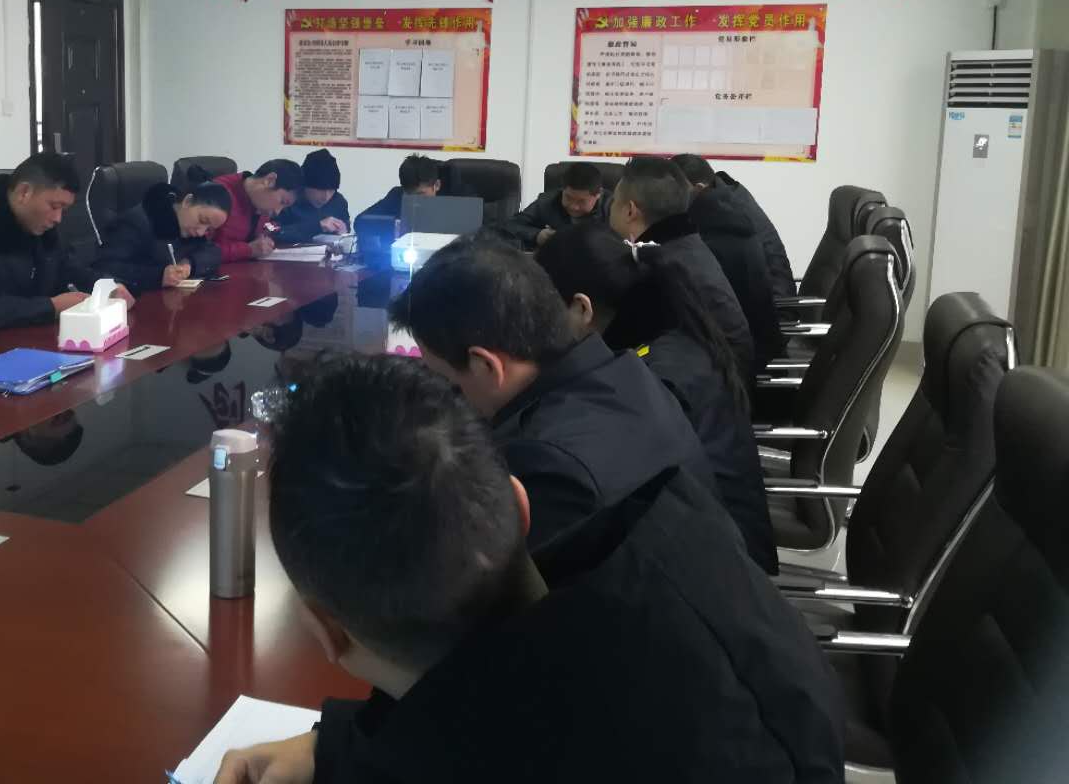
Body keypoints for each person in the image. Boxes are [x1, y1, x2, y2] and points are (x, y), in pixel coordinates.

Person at [214, 354, 844, 784]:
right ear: (522, 505)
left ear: (326, 630)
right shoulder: (676, 547)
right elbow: (491, 713)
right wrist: (335, 750)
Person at [386, 237, 712, 554]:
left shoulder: (548, 468)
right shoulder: (627, 375)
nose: (449, 396)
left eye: (446, 380)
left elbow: (470, 577)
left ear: (486, 364)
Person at [536, 222, 776, 574]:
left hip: (724, 567)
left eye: (542, 309)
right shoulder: (668, 332)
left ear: (582, 309)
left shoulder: (653, 378)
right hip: (718, 543)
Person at [0, 152, 131, 334]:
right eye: (54, 206)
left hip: (39, 339)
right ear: (24, 192)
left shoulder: (42, 225)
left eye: (64, 210)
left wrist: (106, 285)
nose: (58, 218)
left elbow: (69, 267)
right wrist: (51, 307)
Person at [609, 156, 759, 379]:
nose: (609, 207)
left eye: (613, 201)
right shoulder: (686, 244)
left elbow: (615, 347)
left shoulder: (657, 268)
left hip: (706, 390)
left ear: (630, 211)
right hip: (724, 382)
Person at [673, 153, 796, 298]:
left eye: (676, 191)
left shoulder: (724, 210)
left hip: (773, 302)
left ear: (699, 188)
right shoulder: (724, 193)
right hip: (759, 297)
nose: (672, 197)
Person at [92, 181, 229, 295]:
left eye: (209, 229)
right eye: (202, 220)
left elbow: (213, 252)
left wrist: (189, 264)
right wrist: (158, 275)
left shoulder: (188, 227)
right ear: (187, 202)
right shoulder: (139, 221)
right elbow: (106, 267)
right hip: (134, 304)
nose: (201, 232)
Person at [208, 159, 304, 263]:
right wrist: (248, 250)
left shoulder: (259, 202)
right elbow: (199, 252)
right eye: (282, 202)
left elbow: (266, 230)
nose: (277, 212)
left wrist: (266, 239)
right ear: (269, 180)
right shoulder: (218, 193)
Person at [273, 149, 350, 246]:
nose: (326, 197)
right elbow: (272, 232)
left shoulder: (338, 202)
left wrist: (344, 230)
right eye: (320, 190)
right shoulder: (287, 200)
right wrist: (317, 226)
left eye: (331, 190)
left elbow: (346, 230)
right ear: (305, 186)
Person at [353, 154, 441, 233]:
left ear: (436, 185)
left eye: (420, 194)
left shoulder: (448, 202)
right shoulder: (397, 196)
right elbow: (360, 222)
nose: (415, 201)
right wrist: (395, 226)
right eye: (410, 195)